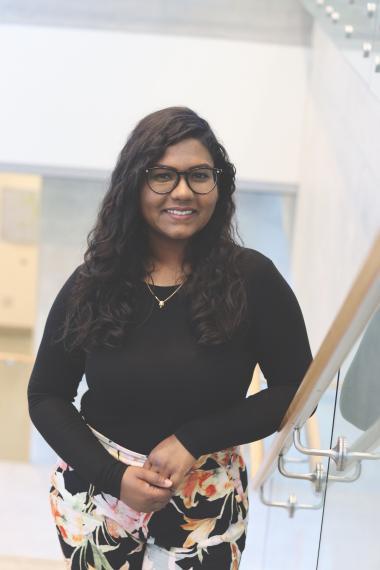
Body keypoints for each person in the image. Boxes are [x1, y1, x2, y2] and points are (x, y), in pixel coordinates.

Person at [27, 106, 316, 570]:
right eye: (162, 175)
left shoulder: (253, 279)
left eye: (199, 175)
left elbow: (296, 392)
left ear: (218, 184)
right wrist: (113, 476)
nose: (182, 191)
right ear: (134, 186)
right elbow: (45, 395)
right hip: (98, 495)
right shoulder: (93, 282)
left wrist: (193, 439)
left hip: (208, 494)